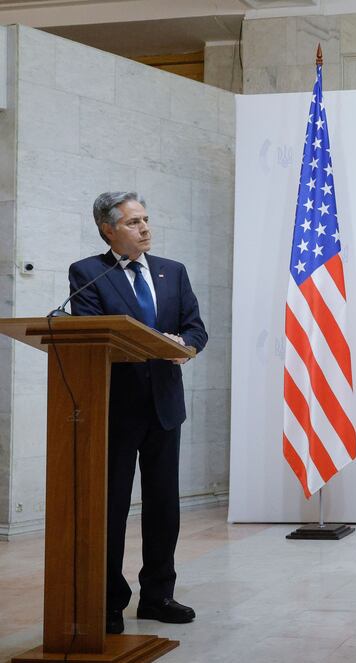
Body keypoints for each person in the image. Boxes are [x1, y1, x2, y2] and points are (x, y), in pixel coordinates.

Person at [68, 192, 208, 635]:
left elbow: (195, 328)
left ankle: (158, 596)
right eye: (133, 222)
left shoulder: (173, 271)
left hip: (165, 406)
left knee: (164, 506)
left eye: (146, 219)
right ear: (108, 229)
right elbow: (89, 335)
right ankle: (109, 600)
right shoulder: (89, 274)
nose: (145, 228)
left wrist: (186, 347)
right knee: (111, 507)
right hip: (115, 408)